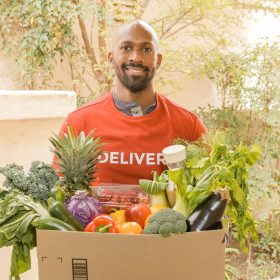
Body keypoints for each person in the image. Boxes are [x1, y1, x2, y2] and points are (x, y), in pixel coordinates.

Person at [57, 20, 207, 184]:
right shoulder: (79, 123)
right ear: (111, 57)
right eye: (126, 48)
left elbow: (211, 191)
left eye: (146, 49)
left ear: (158, 60)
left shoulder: (188, 125)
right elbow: (59, 191)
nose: (136, 57)